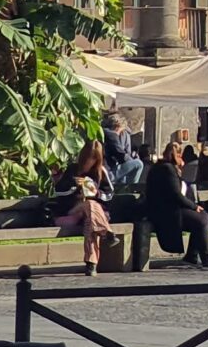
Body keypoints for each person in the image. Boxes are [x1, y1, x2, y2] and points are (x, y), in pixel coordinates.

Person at [138, 143, 208, 271]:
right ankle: (207, 260)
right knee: (202, 220)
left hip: (167, 208)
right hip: (166, 212)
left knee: (202, 218)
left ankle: (192, 255)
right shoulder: (167, 169)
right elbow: (175, 194)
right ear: (177, 155)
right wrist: (194, 207)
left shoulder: (162, 167)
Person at [53, 140, 119, 276]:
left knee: (91, 221)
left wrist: (96, 193)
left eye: (94, 158)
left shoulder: (101, 171)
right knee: (89, 206)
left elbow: (110, 194)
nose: (91, 161)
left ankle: (91, 264)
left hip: (97, 214)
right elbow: (58, 192)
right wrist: (74, 187)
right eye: (89, 158)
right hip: (74, 210)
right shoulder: (72, 169)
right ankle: (107, 233)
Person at [101, 112, 142, 192]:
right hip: (108, 173)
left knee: (123, 168)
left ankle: (121, 190)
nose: (120, 134)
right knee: (138, 164)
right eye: (121, 131)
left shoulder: (103, 133)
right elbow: (121, 156)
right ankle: (131, 190)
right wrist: (132, 161)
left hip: (104, 170)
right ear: (117, 127)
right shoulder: (111, 134)